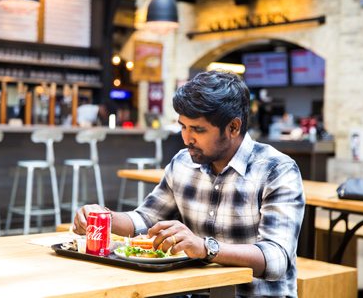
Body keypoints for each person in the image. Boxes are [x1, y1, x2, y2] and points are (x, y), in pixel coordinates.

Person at [73, 70, 305, 297]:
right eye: (183, 126)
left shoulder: (276, 170)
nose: (186, 139)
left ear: (233, 127)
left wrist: (205, 248)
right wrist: (105, 218)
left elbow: (276, 259)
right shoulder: (183, 163)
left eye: (198, 129)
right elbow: (145, 219)